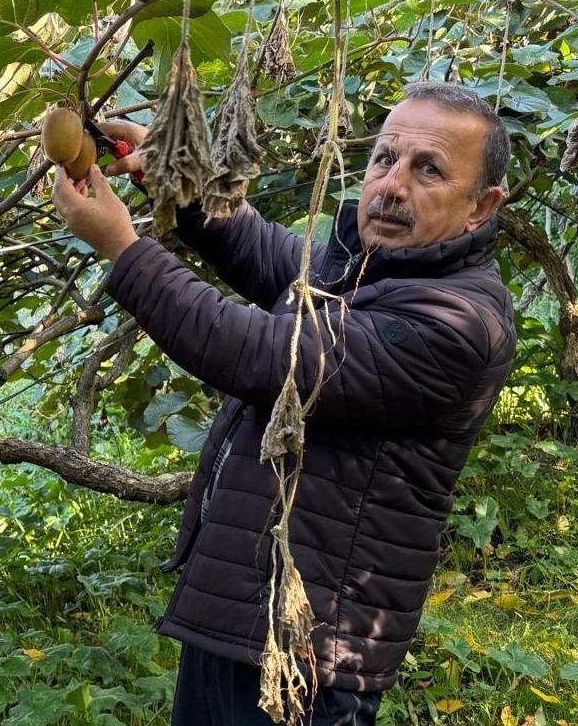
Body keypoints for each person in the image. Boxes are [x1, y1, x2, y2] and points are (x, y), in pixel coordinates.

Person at [50, 82, 517, 726]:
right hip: (240, 621)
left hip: (308, 655)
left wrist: (125, 249)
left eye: (427, 169)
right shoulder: (365, 269)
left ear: (481, 206)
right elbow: (265, 251)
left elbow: (265, 355)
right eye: (384, 158)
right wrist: (173, 177)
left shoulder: (456, 323)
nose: (391, 186)